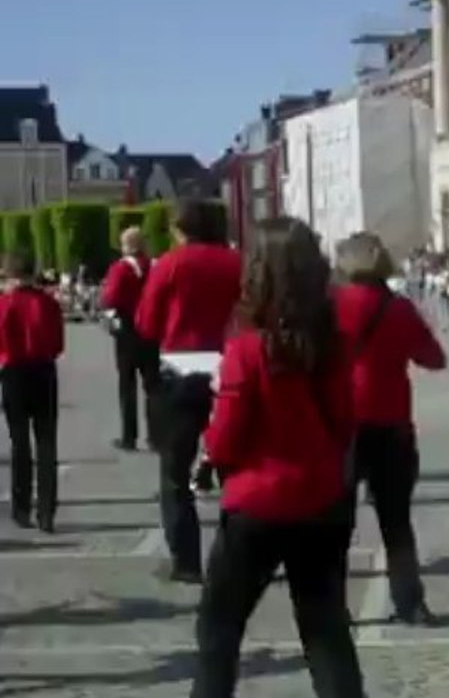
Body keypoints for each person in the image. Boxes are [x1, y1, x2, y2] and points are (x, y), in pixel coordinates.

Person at [192, 216, 364, 698]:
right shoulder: (331, 344)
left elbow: (225, 442)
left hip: (258, 505)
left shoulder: (248, 351)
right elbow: (344, 422)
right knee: (326, 632)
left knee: (218, 631)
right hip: (321, 498)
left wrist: (210, 449)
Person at [334, 232, 445, 625]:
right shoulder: (399, 308)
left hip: (343, 423)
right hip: (392, 421)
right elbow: (434, 358)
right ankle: (410, 602)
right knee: (396, 522)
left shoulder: (333, 305)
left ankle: (334, 607)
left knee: (336, 523)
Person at [135, 200, 242, 584]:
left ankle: (187, 561)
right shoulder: (237, 261)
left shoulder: (172, 263)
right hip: (230, 364)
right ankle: (238, 556)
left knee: (175, 472)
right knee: (236, 469)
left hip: (180, 365)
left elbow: (147, 322)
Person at [0, 251, 64, 533]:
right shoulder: (49, 303)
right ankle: (47, 510)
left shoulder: (5, 303)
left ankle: (21, 506)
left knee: (19, 442)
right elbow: (58, 342)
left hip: (14, 371)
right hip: (44, 369)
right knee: (47, 442)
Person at [101, 226, 160, 452]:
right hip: (151, 329)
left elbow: (111, 297)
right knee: (153, 385)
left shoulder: (120, 269)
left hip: (127, 331)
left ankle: (129, 436)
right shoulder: (154, 266)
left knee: (127, 385)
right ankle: (155, 435)